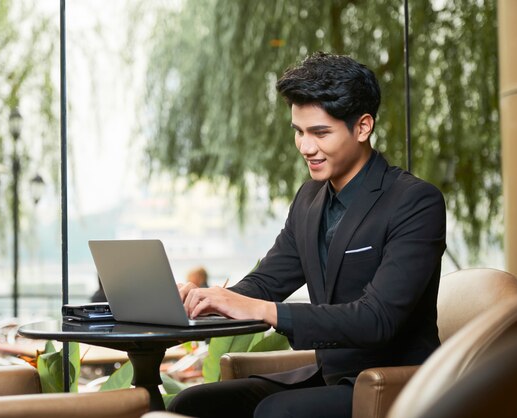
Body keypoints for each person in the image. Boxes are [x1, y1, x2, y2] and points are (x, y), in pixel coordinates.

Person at [169, 52, 446, 418]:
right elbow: (266, 284)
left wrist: (265, 311)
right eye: (299, 132)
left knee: (276, 412)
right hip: (330, 377)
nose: (305, 147)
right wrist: (205, 301)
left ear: (363, 127)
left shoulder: (415, 201)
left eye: (320, 132)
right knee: (193, 403)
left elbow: (376, 319)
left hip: (395, 384)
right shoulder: (310, 198)